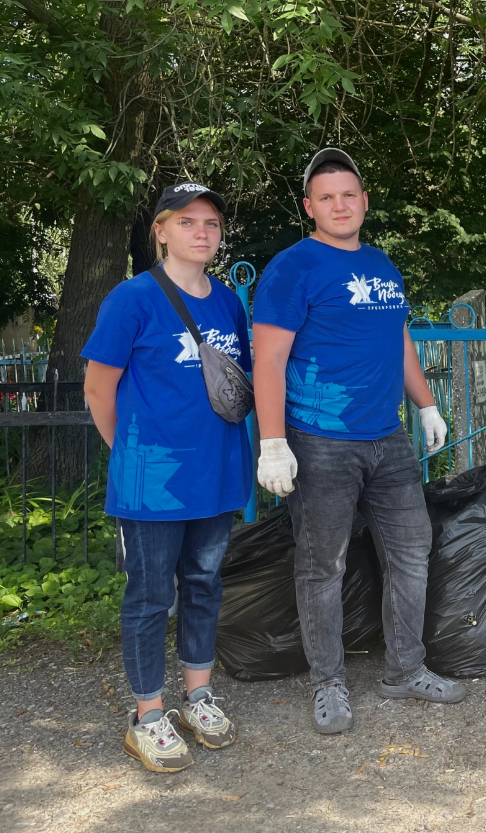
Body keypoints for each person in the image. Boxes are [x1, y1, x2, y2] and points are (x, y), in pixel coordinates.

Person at [250, 148, 459, 736]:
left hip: (386, 438)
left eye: (349, 195)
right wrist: (272, 442)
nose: (339, 206)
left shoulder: (382, 264)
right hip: (319, 439)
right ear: (309, 207)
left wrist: (427, 405)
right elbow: (268, 358)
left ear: (365, 201)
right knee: (322, 565)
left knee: (412, 551)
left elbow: (399, 339)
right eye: (326, 197)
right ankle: (328, 683)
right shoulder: (293, 268)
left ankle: (405, 669)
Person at [83, 183, 251, 772]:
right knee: (152, 596)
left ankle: (197, 697)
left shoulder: (228, 303)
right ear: (160, 230)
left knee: (204, 586)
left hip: (217, 472)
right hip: (153, 480)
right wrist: (130, 454)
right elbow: (99, 390)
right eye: (187, 222)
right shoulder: (132, 300)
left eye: (210, 223)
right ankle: (147, 716)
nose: (201, 232)